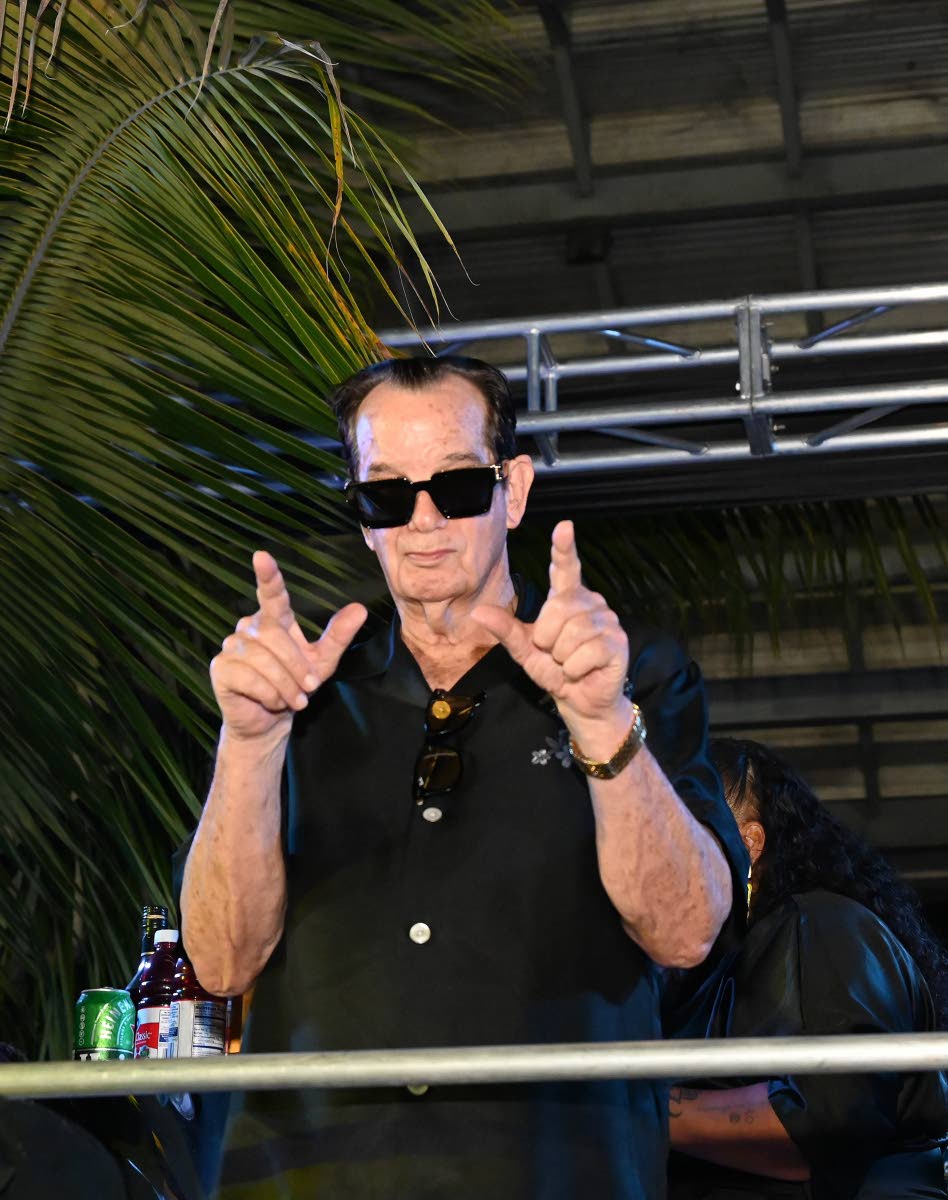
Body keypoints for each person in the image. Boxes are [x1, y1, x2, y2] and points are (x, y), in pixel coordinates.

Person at [177, 355, 748, 1198]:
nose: (422, 520)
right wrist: (250, 744)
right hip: (311, 1174)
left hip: (554, 1172)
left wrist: (599, 725)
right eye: (385, 494)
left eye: (456, 486)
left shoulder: (634, 678)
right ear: (362, 516)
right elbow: (221, 964)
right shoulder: (294, 693)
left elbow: (687, 931)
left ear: (512, 491)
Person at [668, 736, 948, 1200]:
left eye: (678, 827)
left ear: (750, 842)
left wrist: (632, 1113)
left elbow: (820, 1126)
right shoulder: (715, 966)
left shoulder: (821, 924)